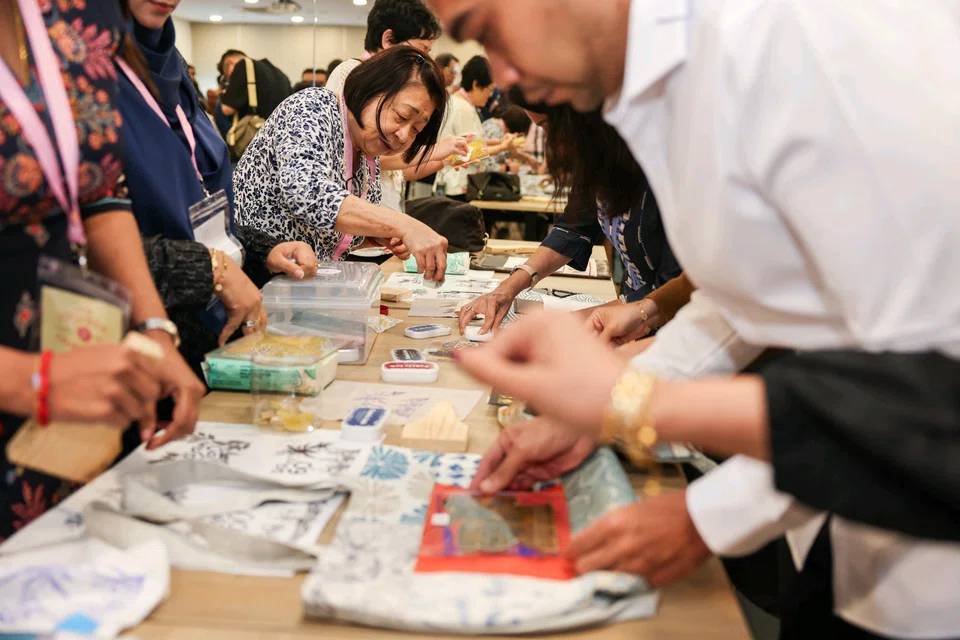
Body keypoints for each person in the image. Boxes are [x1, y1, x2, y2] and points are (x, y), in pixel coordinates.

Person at [428, 0, 960, 637]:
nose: (503, 73)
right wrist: (598, 412)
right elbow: (755, 288)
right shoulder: (665, 82)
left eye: (488, 29)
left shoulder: (809, 42)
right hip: (837, 517)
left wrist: (644, 423)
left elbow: (925, 387)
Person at [0, 0, 202, 541]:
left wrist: (155, 330)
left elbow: (98, 192)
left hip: (64, 400)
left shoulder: (82, 15)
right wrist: (28, 381)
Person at [117, 0, 321, 376]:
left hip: (207, 330)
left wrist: (262, 249)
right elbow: (90, 242)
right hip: (134, 344)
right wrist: (214, 269)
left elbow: (199, 208)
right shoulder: (82, 74)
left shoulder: (170, 66)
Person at [461, 104, 684, 337]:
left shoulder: (669, 168)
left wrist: (560, 325)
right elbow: (574, 227)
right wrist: (510, 286)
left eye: (547, 126)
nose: (549, 141)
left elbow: (674, 289)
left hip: (670, 329)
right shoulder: (596, 160)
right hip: (636, 317)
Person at [233, 46, 451, 280]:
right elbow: (308, 193)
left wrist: (375, 236)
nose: (404, 135)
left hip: (299, 284)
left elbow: (328, 232)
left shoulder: (367, 153)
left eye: (416, 129)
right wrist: (403, 225)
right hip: (251, 277)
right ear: (370, 89)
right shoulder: (312, 107)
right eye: (401, 116)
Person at [325, 0, 468, 213]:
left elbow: (400, 169)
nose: (425, 60)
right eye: (421, 50)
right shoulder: (353, 73)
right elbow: (363, 155)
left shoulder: (397, 85)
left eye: (416, 128)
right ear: (389, 39)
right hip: (357, 214)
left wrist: (444, 159)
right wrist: (436, 150)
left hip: (384, 210)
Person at [433, 56, 516, 200]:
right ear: (476, 84)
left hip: (452, 182)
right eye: (489, 90)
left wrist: (499, 141)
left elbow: (470, 140)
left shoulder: (458, 102)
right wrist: (502, 147)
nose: (490, 96)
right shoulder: (463, 108)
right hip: (456, 185)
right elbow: (470, 151)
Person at [326, 0, 442, 95]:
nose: (423, 61)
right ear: (389, 40)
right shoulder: (349, 75)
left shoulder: (391, 77)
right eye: (420, 53)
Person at [219, 49, 291, 122]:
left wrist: (223, 93)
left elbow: (227, 109)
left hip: (257, 127)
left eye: (229, 76)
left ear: (230, 63)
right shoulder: (281, 74)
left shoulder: (243, 65)